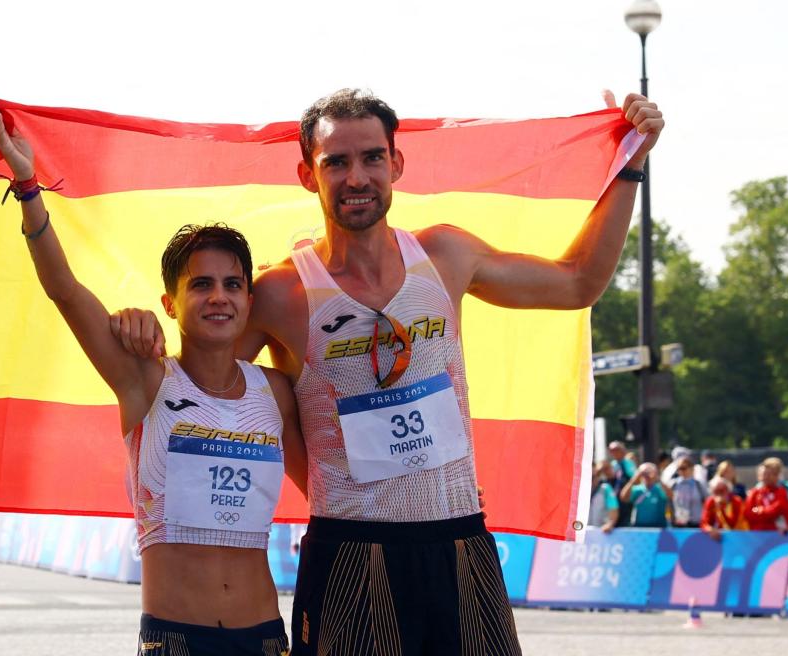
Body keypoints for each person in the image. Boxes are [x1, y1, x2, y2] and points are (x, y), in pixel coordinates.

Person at [113, 87, 664, 656]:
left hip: (458, 542)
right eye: (337, 162)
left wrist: (630, 167)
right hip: (351, 553)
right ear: (308, 174)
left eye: (372, 157)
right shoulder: (281, 292)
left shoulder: (446, 257)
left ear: (396, 164)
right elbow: (204, 379)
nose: (357, 177)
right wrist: (138, 332)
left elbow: (578, 282)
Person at [0, 103, 305, 654]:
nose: (218, 297)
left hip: (264, 638)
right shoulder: (145, 382)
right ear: (171, 302)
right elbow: (64, 288)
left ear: (249, 300)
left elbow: (336, 467)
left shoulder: (275, 392)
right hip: (175, 639)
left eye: (232, 285)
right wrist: (27, 185)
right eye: (200, 284)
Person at [742, 457, 788, 532]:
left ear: (777, 476)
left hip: (777, 536)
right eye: (763, 474)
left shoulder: (782, 492)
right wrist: (760, 511)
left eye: (769, 474)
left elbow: (779, 509)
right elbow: (748, 513)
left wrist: (760, 511)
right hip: (758, 536)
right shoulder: (755, 492)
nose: (765, 477)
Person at [620, 463, 670, 528]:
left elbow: (671, 496)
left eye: (648, 473)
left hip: (659, 527)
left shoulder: (660, 489)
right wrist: (634, 479)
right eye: (644, 474)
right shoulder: (637, 489)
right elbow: (623, 497)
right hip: (640, 527)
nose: (646, 476)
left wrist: (658, 479)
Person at [669, 457, 705, 528]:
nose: (681, 471)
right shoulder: (673, 484)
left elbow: (706, 502)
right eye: (679, 469)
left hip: (696, 524)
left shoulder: (699, 484)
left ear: (692, 468)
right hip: (679, 524)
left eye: (683, 468)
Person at [586, 461, 619, 533]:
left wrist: (610, 524)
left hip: (601, 532)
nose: (591, 480)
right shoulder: (580, 490)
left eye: (593, 477)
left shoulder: (605, 489)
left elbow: (613, 508)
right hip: (584, 531)